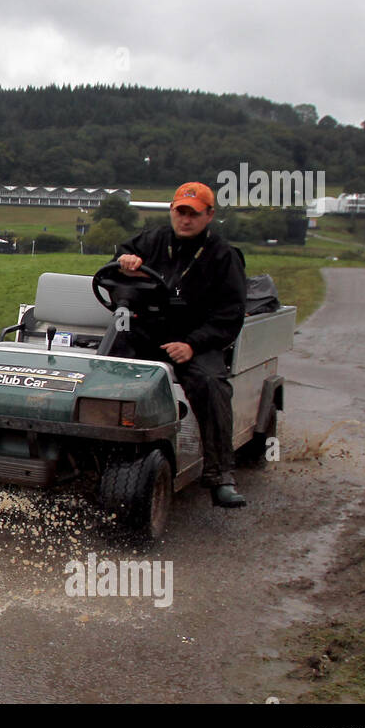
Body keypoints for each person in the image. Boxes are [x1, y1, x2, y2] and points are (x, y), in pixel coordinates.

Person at [108, 182, 249, 508]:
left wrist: (192, 345)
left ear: (209, 215)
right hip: (143, 334)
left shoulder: (223, 256)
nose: (185, 220)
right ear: (172, 211)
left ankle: (220, 476)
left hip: (194, 342)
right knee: (105, 375)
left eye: (193, 214)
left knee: (212, 385)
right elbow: (115, 267)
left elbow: (229, 316)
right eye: (180, 212)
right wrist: (124, 261)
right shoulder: (152, 241)